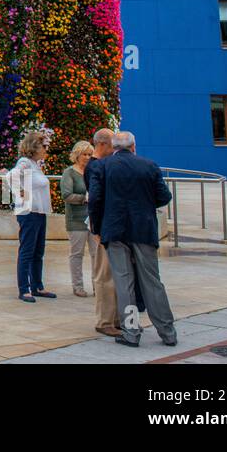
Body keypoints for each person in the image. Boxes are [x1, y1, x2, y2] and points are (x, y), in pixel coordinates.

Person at [89, 131, 177, 348]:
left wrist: (96, 228)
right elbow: (164, 197)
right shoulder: (149, 166)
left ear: (114, 147)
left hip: (115, 231)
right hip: (144, 230)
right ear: (133, 146)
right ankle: (167, 331)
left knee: (123, 281)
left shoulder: (102, 167)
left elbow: (95, 200)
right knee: (152, 281)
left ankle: (131, 332)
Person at [10, 129, 55, 302]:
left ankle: (37, 286)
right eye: (44, 146)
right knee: (27, 250)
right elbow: (12, 175)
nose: (46, 149)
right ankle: (24, 289)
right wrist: (20, 192)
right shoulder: (25, 162)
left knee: (38, 251)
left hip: (39, 212)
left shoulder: (35, 165)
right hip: (29, 212)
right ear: (34, 147)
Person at [86, 129, 120, 334]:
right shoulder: (95, 167)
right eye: (112, 145)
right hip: (102, 228)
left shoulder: (101, 165)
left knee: (111, 274)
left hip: (106, 226)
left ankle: (114, 318)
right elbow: (95, 200)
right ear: (103, 144)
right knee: (104, 274)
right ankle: (105, 321)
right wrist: (96, 228)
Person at [61, 139, 96, 297]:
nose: (88, 157)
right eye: (84, 154)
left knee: (97, 254)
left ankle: (98, 285)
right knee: (77, 254)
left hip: (94, 219)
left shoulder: (93, 171)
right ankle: (78, 286)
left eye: (90, 154)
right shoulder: (69, 173)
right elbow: (66, 195)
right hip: (76, 219)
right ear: (77, 155)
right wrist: (84, 198)